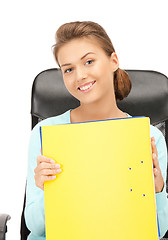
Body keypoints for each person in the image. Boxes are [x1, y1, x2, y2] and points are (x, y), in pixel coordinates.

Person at [24, 21, 168, 240]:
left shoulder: (149, 138)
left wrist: (156, 191)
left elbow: (158, 231)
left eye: (89, 61)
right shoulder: (45, 133)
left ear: (113, 61)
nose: (79, 75)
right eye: (69, 69)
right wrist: (47, 192)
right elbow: (35, 227)